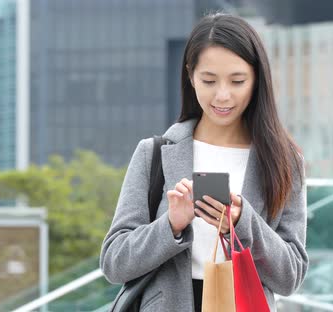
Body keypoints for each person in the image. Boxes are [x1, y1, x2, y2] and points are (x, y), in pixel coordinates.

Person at [100, 13, 307, 312]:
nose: (222, 95)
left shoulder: (285, 163)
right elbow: (114, 263)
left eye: (237, 81)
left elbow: (290, 276)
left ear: (257, 79)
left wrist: (241, 222)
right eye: (209, 80)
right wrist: (171, 224)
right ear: (190, 75)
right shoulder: (154, 153)